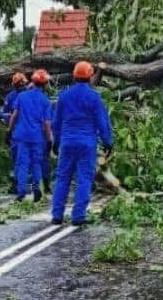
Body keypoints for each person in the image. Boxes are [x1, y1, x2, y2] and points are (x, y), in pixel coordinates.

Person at [50, 61, 113, 226]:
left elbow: (56, 122)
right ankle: (78, 216)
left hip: (67, 142)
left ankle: (57, 215)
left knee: (62, 178)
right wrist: (108, 142)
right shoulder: (94, 97)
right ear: (91, 76)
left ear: (74, 76)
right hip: (86, 143)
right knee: (84, 179)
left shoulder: (64, 96)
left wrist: (55, 142)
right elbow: (102, 122)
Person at [8, 69, 54, 202]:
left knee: (22, 164)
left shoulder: (22, 97)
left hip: (22, 136)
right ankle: (37, 189)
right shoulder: (45, 101)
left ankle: (21, 191)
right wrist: (49, 138)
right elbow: (46, 123)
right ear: (45, 84)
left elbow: (14, 116)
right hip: (37, 137)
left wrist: (9, 131)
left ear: (33, 81)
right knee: (36, 163)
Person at [3, 72, 28, 194]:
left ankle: (18, 183)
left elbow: (7, 116)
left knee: (20, 159)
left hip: (18, 132)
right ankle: (18, 183)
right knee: (20, 159)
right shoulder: (12, 97)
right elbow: (7, 116)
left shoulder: (13, 97)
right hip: (19, 132)